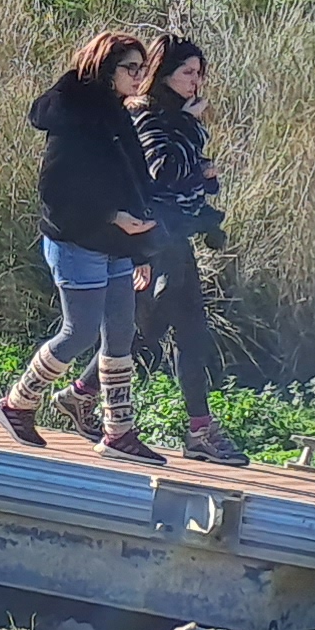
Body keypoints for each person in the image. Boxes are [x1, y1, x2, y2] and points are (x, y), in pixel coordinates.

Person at [0, 28, 164, 464]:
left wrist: (141, 249)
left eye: (143, 69)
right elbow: (56, 191)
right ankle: (17, 404)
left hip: (117, 243)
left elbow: (131, 182)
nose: (139, 77)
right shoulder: (74, 116)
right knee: (80, 330)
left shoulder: (115, 112)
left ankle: (118, 431)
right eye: (131, 68)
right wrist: (111, 216)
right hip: (77, 240)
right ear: (105, 67)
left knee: (121, 330)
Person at [132, 33, 240, 464]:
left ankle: (199, 428)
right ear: (165, 75)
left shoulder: (175, 117)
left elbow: (190, 179)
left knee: (171, 333)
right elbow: (164, 173)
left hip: (176, 237)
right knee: (170, 331)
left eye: (200, 73)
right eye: (188, 73)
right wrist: (192, 135)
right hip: (156, 239)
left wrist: (205, 181)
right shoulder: (151, 117)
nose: (197, 82)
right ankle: (199, 429)